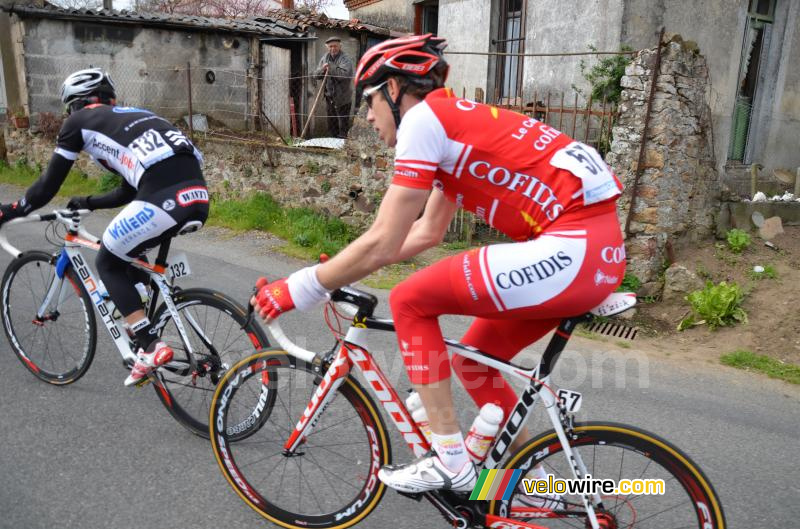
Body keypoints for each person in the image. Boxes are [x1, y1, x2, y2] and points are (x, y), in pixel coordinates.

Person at [252, 34, 625, 495]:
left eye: (369, 100)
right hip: (595, 255)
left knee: (409, 300)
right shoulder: (453, 124)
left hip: (572, 251)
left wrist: (301, 287)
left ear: (395, 90)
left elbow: (383, 242)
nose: (367, 116)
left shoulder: (423, 121)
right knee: (475, 364)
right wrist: (344, 270)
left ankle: (450, 462)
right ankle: (532, 487)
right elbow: (425, 232)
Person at [0, 68, 209, 386]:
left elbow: (46, 187)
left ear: (75, 104)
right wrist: (88, 202)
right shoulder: (136, 116)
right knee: (130, 254)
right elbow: (129, 189)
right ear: (110, 98)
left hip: (163, 198)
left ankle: (151, 345)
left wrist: (12, 211)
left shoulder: (77, 122)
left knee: (107, 261)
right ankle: (140, 309)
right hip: (197, 197)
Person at [313, 36, 354, 138]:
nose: (333, 48)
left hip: (343, 97)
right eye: (330, 46)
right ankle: (332, 142)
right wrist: (323, 69)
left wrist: (330, 67)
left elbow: (345, 75)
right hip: (329, 96)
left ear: (340, 46)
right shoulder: (325, 58)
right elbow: (316, 75)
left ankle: (342, 143)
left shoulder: (345, 59)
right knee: (331, 122)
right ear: (327, 47)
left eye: (335, 46)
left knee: (342, 124)